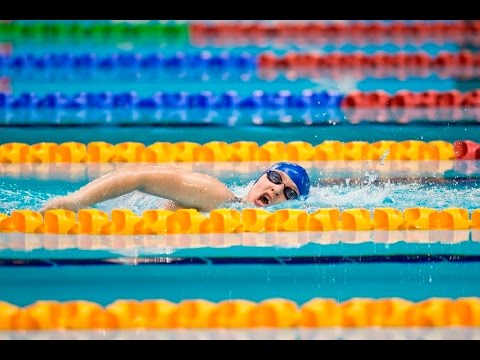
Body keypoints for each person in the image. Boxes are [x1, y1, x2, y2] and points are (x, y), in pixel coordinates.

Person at [40, 161, 311, 213]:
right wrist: (77, 200)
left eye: (289, 193)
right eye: (275, 179)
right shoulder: (217, 196)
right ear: (258, 180)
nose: (277, 190)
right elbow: (139, 175)